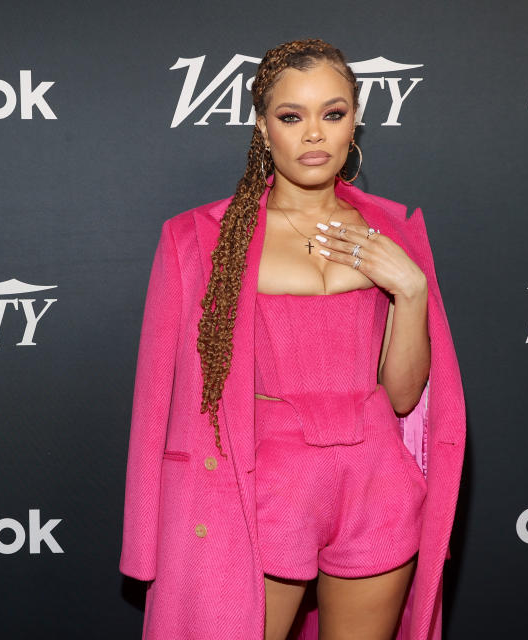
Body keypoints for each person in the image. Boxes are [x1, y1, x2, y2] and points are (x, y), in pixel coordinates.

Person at [120, 38, 465, 640]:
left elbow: (406, 397)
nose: (314, 135)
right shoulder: (198, 238)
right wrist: (145, 540)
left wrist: (409, 288)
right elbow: (156, 403)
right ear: (262, 126)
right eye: (291, 116)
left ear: (355, 120)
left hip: (376, 479)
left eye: (332, 114)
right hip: (262, 486)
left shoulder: (393, 228)